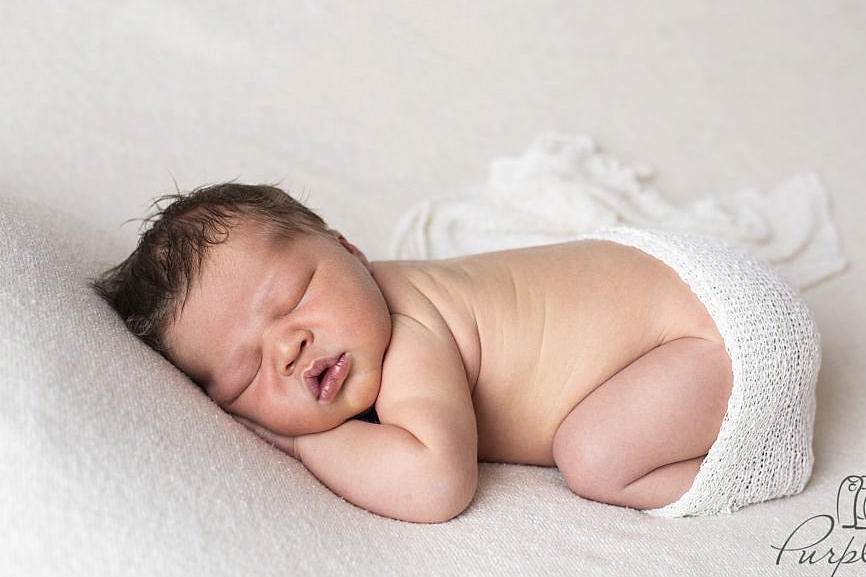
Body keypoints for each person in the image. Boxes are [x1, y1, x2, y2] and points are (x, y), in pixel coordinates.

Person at [93, 183, 819, 523]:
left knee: (595, 460)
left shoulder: (411, 336)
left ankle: (762, 456)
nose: (288, 345)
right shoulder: (375, 309)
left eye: (294, 297)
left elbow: (437, 483)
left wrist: (299, 441)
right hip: (673, 285)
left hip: (719, 327)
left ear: (350, 249)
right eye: (247, 372)